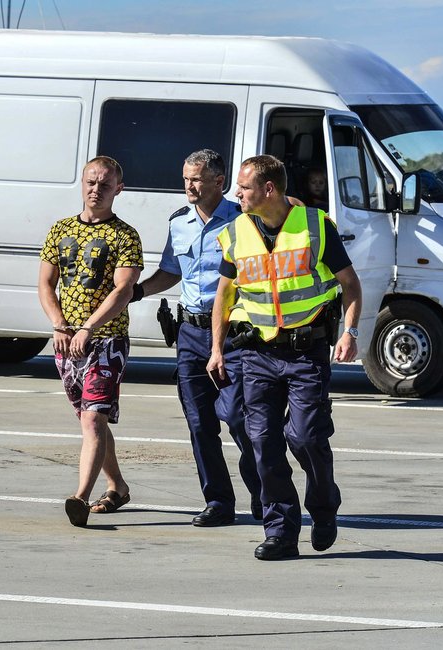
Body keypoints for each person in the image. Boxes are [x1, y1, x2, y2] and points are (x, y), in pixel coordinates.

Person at [208, 154, 362, 560]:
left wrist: (350, 332)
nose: (236, 194)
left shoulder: (315, 227)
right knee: (262, 442)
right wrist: (217, 348)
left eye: (243, 188)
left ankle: (325, 506)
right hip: (257, 353)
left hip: (306, 352)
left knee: (307, 436)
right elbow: (225, 294)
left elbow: (351, 285)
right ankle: (280, 531)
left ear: (268, 190)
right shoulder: (237, 232)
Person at [132, 149, 262, 527]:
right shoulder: (180, 222)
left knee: (239, 417)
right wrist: (136, 292)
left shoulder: (242, 221)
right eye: (186, 178)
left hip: (235, 333)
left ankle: (263, 489)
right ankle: (219, 501)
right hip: (190, 333)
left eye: (197, 179)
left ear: (219, 183)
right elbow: (171, 271)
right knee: (199, 422)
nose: (188, 185)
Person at [38, 156, 144, 528]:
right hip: (66, 343)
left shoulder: (124, 235)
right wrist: (60, 324)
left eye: (104, 183)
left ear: (119, 188)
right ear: (81, 184)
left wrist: (88, 328)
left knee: (95, 417)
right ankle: (117, 486)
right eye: (90, 182)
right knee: (90, 423)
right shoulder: (60, 230)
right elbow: (46, 283)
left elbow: (123, 290)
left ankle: (79, 497)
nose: (96, 189)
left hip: (106, 341)